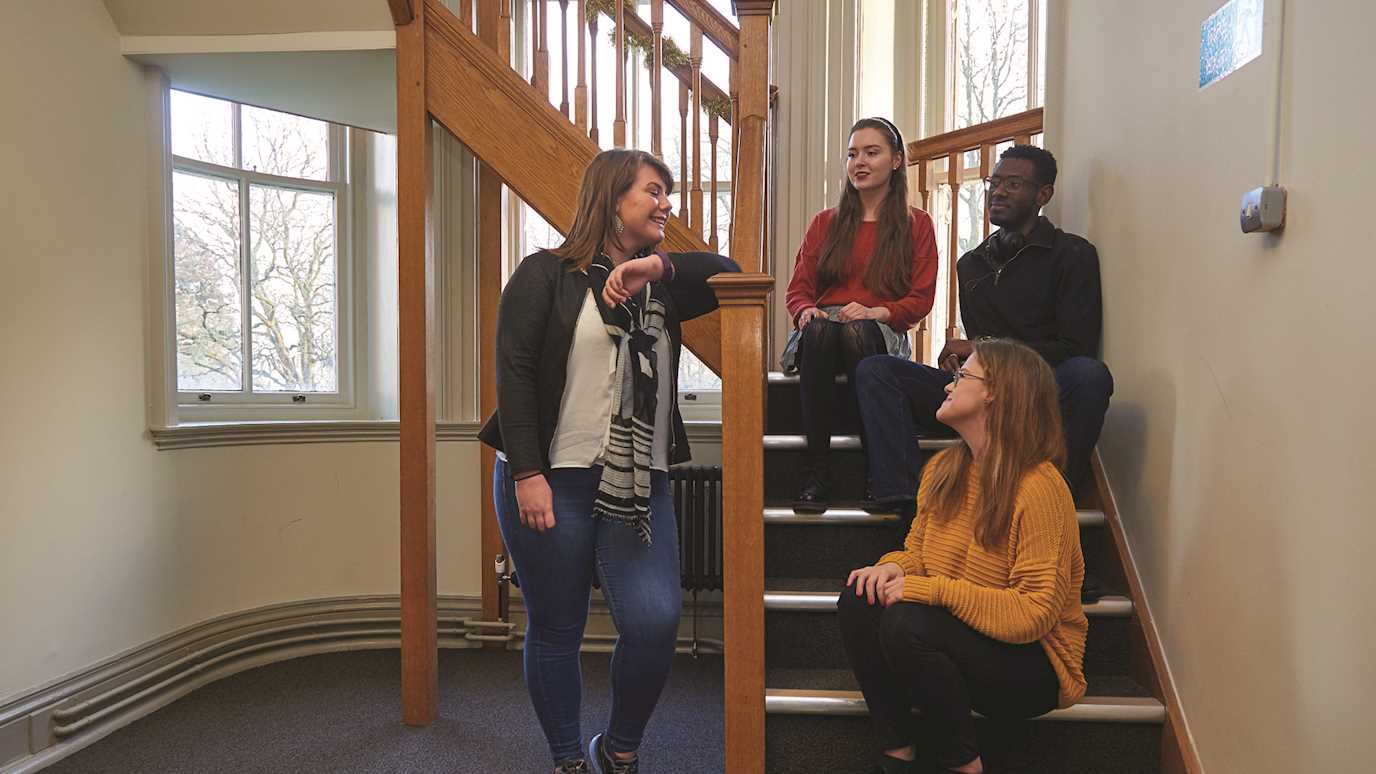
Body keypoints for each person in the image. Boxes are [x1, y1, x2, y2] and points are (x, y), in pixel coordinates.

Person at [477, 149, 737, 774]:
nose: (666, 204)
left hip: (639, 485)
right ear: (613, 198)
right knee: (557, 625)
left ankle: (618, 749)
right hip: (550, 478)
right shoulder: (544, 273)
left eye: (666, 193)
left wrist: (655, 265)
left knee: (654, 622)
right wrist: (526, 473)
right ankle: (568, 758)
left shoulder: (662, 288)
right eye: (653, 191)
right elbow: (514, 375)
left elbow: (729, 271)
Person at [837, 338, 1088, 774]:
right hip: (966, 639)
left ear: (995, 393)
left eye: (962, 374)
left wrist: (926, 590)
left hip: (1035, 663)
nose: (948, 384)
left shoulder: (1040, 488)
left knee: (906, 621)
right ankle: (897, 753)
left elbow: (1033, 614)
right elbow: (919, 554)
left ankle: (963, 764)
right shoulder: (944, 471)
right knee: (861, 596)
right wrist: (893, 567)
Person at [854, 144, 1113, 511]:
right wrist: (967, 364)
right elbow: (981, 346)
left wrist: (982, 348)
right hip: (982, 394)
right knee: (876, 370)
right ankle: (902, 499)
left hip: (1040, 394)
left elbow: (1075, 347)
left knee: (1090, 375)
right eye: (995, 182)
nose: (998, 192)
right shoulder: (971, 264)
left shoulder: (1073, 255)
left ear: (1043, 195)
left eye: (1013, 184)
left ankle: (1050, 500)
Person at [783, 117, 939, 512]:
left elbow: (920, 298)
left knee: (857, 332)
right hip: (824, 334)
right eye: (853, 154)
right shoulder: (826, 223)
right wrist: (806, 311)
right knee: (820, 332)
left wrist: (877, 311)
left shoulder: (917, 224)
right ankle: (816, 469)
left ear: (897, 160)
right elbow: (798, 290)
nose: (860, 162)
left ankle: (876, 467)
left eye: (872, 152)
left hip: (878, 330)